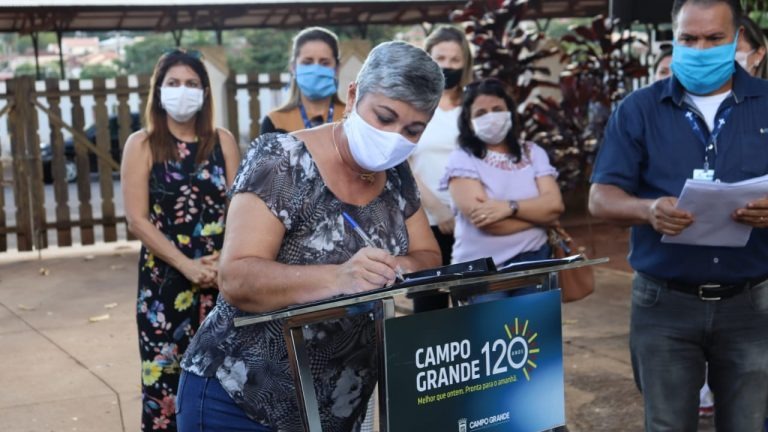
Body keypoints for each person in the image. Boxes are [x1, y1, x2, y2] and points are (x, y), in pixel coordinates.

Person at [177, 41, 443, 431]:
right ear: (353, 96)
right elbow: (236, 277)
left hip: (330, 409)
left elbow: (428, 256)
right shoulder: (281, 160)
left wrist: (390, 267)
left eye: (413, 129)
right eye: (384, 117)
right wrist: (340, 278)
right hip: (241, 398)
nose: (394, 136)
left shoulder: (397, 177)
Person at [588, 0, 768, 430]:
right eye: (688, 39)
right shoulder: (639, 108)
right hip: (663, 303)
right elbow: (600, 198)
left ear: (738, 37)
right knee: (667, 424)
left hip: (752, 304)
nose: (700, 49)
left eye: (713, 39)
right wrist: (647, 210)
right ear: (674, 36)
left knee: (748, 423)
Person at [121, 49, 241, 431]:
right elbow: (138, 220)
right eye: (173, 83)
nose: (182, 91)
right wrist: (187, 264)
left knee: (224, 384)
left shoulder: (222, 141)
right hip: (164, 286)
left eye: (191, 84)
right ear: (158, 91)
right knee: (165, 387)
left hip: (223, 281)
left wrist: (225, 260)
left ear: (205, 92)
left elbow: (240, 209)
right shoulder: (141, 144)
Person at [441, 78, 564, 284]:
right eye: (481, 113)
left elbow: (554, 205)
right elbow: (487, 222)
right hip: (481, 271)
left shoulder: (533, 152)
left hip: (535, 260)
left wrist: (509, 207)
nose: (491, 117)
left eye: (497, 109)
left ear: (510, 113)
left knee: (533, 318)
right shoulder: (462, 158)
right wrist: (542, 217)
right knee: (490, 318)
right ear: (469, 123)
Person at [409, 25, 474, 312]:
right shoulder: (413, 105)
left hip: (472, 223)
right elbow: (402, 165)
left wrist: (462, 209)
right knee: (429, 312)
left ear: (465, 63)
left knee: (472, 308)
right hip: (426, 224)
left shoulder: (474, 106)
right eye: (441, 59)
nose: (448, 66)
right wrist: (438, 208)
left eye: (455, 60)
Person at [260, 27, 346, 134]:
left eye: (324, 63)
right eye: (307, 62)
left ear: (337, 68)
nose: (316, 70)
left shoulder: (352, 118)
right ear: (293, 67)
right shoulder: (275, 122)